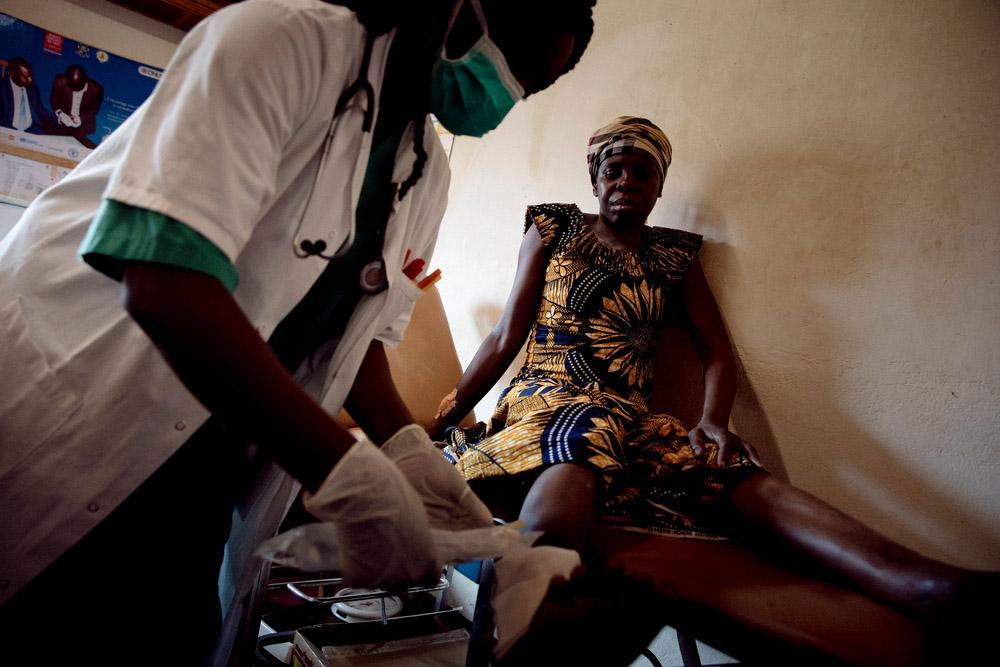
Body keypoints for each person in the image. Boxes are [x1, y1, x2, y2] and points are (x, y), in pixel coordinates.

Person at [0, 1, 595, 664]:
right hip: (75, 402)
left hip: (203, 461)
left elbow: (354, 342)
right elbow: (163, 278)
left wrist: (413, 457)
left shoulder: (426, 176)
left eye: (530, 86)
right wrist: (344, 469)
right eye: (509, 56)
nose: (505, 89)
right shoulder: (276, 43)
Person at [432, 115, 997, 661]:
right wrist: (451, 412)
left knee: (716, 462)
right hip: (549, 402)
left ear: (659, 187)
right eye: (614, 170)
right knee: (585, 431)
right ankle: (547, 589)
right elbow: (507, 334)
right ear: (595, 179)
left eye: (642, 172)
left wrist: (714, 421)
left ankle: (934, 588)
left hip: (630, 415)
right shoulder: (555, 228)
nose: (626, 181)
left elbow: (718, 352)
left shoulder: (674, 256)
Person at [49, 64, 104, 148]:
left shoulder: (97, 90)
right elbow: (54, 101)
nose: (76, 92)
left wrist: (80, 119)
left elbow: (94, 110)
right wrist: (61, 114)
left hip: (84, 123)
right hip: (63, 120)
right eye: (72, 88)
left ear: (86, 80)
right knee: (53, 143)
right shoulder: (59, 82)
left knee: (85, 148)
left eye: (79, 88)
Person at [0, 56, 54, 134]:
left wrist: (60, 117)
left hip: (32, 130)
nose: (30, 80)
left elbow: (41, 111)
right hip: (8, 129)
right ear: (12, 74)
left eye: (31, 76)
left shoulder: (33, 89)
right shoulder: (2, 87)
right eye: (26, 77)